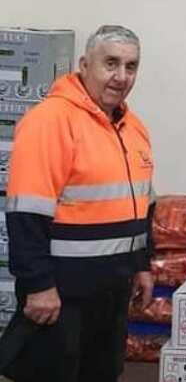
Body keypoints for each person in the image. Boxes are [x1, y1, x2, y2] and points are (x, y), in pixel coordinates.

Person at [1, 25, 155, 382]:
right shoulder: (50, 121)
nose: (121, 77)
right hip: (61, 294)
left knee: (101, 374)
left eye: (131, 67)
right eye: (111, 64)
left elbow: (142, 207)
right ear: (85, 65)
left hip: (112, 292)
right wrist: (39, 287)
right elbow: (26, 214)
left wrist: (142, 265)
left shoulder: (134, 129)